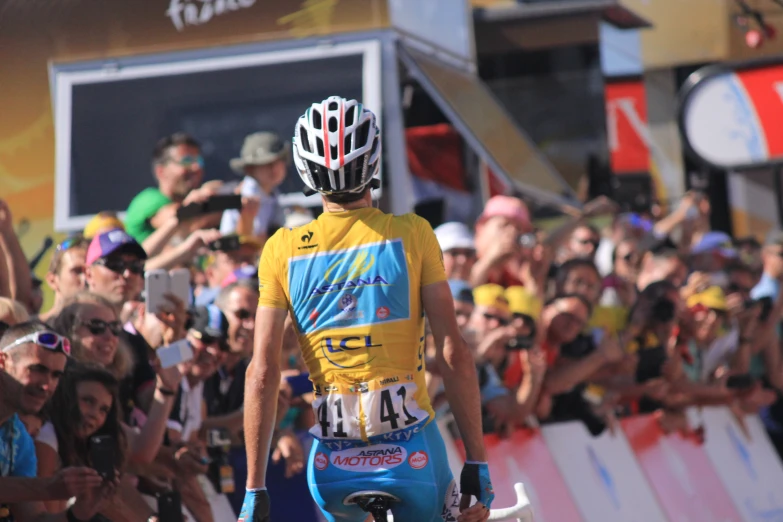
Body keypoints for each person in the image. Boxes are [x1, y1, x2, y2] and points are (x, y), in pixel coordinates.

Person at [241, 97, 493, 522]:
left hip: (332, 466)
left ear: (305, 170)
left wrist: (254, 487)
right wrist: (477, 461)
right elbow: (454, 353)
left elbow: (261, 373)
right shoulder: (412, 234)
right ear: (373, 160)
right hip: (411, 452)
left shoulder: (281, 249)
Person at [0, 321, 114, 521]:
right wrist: (48, 488)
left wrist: (77, 513)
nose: (47, 385)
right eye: (37, 369)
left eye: (55, 375)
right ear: (3, 362)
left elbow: (33, 519)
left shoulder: (19, 438)